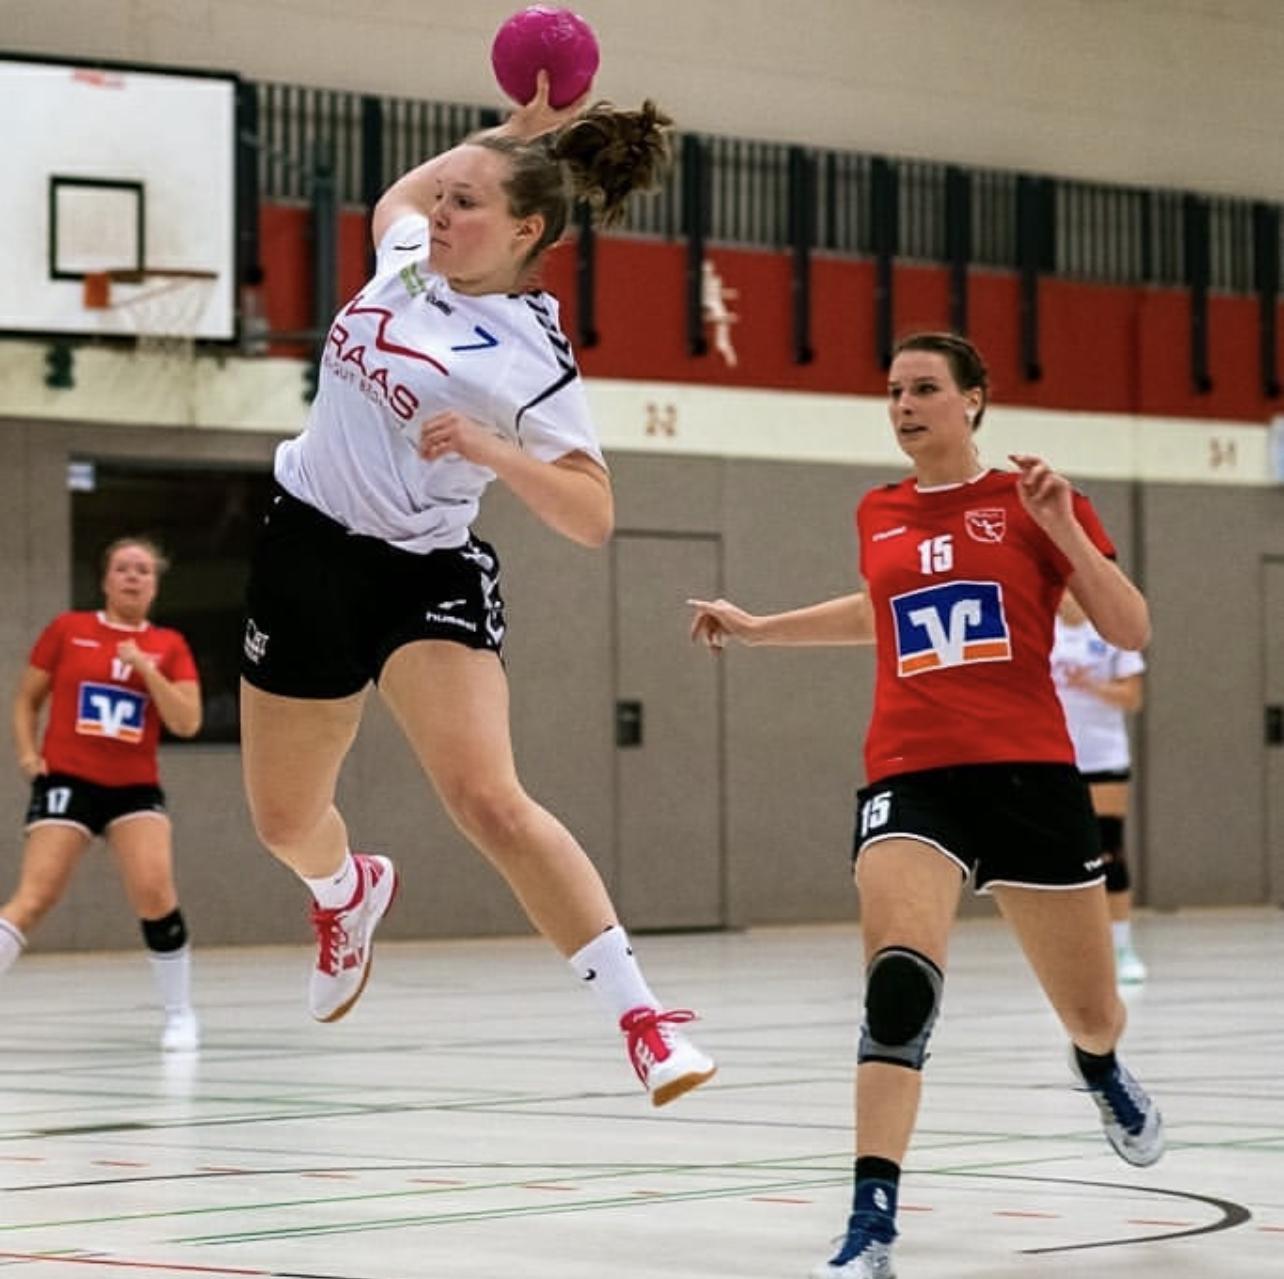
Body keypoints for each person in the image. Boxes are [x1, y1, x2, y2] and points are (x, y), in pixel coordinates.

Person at [238, 72, 714, 1107]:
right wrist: (514, 131)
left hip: (423, 573)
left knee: (488, 799)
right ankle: (344, 889)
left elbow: (591, 514)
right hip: (305, 547)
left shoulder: (532, 359)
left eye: (467, 203)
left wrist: (500, 453)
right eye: (446, 195)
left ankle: (640, 1020)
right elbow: (393, 206)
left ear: (525, 231)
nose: (440, 211)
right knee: (284, 820)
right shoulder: (411, 262)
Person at [688, 332, 1163, 1278]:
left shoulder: (1033, 503)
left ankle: (1101, 1067)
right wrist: (763, 629)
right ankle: (872, 1224)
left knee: (1093, 1010)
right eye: (894, 390)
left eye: (926, 389)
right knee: (898, 985)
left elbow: (1129, 626)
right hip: (912, 772)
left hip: (1029, 775)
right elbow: (883, 606)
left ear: (974, 400)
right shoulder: (880, 510)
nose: (904, 405)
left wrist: (1064, 525)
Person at [2, 537, 202, 1051]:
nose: (133, 577)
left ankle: (180, 1016)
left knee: (156, 893)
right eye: (123, 568)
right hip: (68, 780)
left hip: (133, 789)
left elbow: (186, 720)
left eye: (143, 570)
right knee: (34, 897)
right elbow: (26, 700)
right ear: (106, 579)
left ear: (155, 585)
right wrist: (29, 756)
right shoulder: (69, 631)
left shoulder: (169, 645)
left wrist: (146, 668)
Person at [1051, 591, 1148, 984]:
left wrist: (1090, 685)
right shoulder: (1042, 631)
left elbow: (1132, 696)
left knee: (1108, 849)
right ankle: (1070, 951)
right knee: (1063, 855)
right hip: (1055, 757)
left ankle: (1122, 947)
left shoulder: (1110, 633)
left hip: (1103, 756)